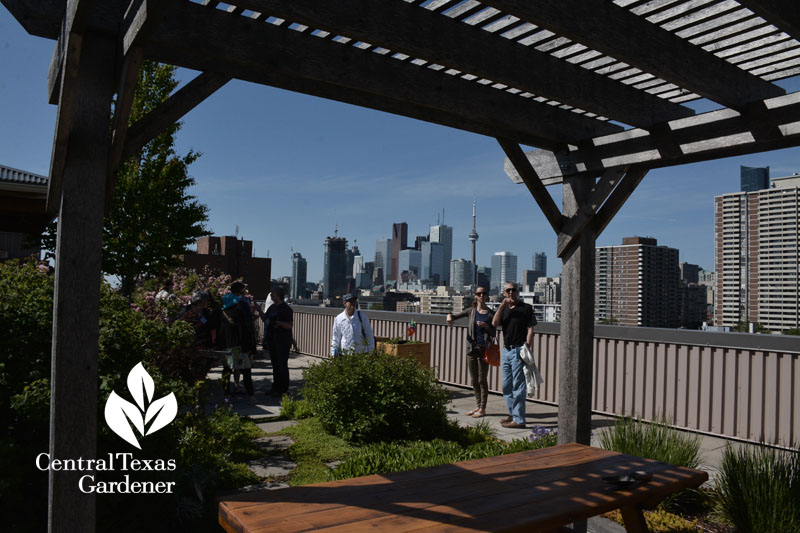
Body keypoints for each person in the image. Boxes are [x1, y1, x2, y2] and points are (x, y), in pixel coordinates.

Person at [491, 281, 536, 429]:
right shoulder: (503, 309)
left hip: (518, 350)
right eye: (508, 290)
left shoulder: (526, 308)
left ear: (518, 291)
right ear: (504, 293)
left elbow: (530, 329)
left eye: (513, 290)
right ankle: (512, 414)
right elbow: (494, 323)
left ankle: (519, 419)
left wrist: (527, 347)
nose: (511, 292)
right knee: (506, 386)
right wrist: (502, 305)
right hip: (506, 350)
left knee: (518, 386)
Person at [446, 287, 495, 418]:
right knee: (474, 380)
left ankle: (483, 408)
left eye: (484, 293)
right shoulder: (471, 311)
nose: (481, 295)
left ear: (486, 296)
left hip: (484, 350)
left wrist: (486, 327)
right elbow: (455, 316)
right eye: (479, 293)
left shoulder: (490, 313)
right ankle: (478, 406)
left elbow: (494, 332)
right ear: (475, 296)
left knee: (482, 379)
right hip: (471, 349)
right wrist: (449, 316)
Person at [219, 284, 257, 404]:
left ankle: (226, 395)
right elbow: (244, 332)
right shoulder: (238, 313)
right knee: (246, 372)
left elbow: (221, 333)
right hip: (239, 348)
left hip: (227, 348)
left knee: (226, 371)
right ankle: (251, 396)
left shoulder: (223, 314)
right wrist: (250, 348)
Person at [264, 286, 293, 397]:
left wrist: (280, 323)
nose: (271, 295)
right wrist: (257, 310)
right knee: (275, 365)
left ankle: (283, 389)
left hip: (282, 341)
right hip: (273, 340)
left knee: (282, 365)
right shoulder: (271, 308)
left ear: (278, 295)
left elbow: (290, 325)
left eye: (273, 293)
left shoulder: (286, 309)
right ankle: (276, 387)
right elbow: (266, 320)